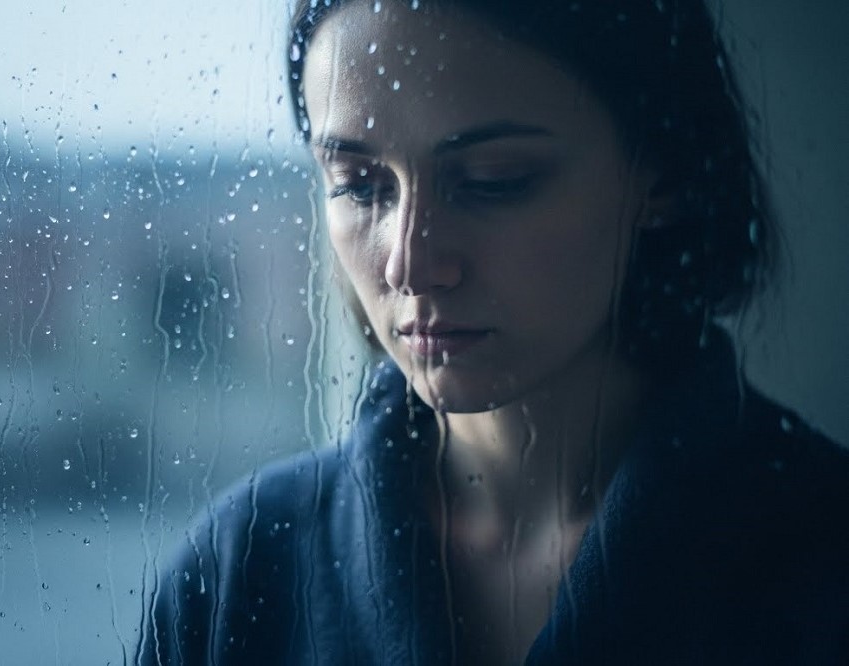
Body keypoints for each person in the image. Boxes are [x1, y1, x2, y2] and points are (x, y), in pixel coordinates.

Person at [142, 1, 849, 663]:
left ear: (659, 172)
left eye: (493, 179)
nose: (409, 263)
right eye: (359, 184)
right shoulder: (239, 571)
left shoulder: (823, 555)